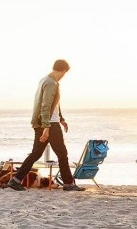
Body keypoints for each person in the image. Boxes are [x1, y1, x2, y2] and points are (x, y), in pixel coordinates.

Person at [7, 59, 85, 192]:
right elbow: (45, 106)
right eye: (64, 73)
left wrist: (61, 118)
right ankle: (68, 184)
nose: (63, 76)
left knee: (36, 154)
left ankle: (15, 180)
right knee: (62, 153)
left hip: (45, 122)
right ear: (63, 70)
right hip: (50, 124)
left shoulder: (45, 80)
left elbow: (54, 104)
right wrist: (46, 128)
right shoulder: (51, 83)